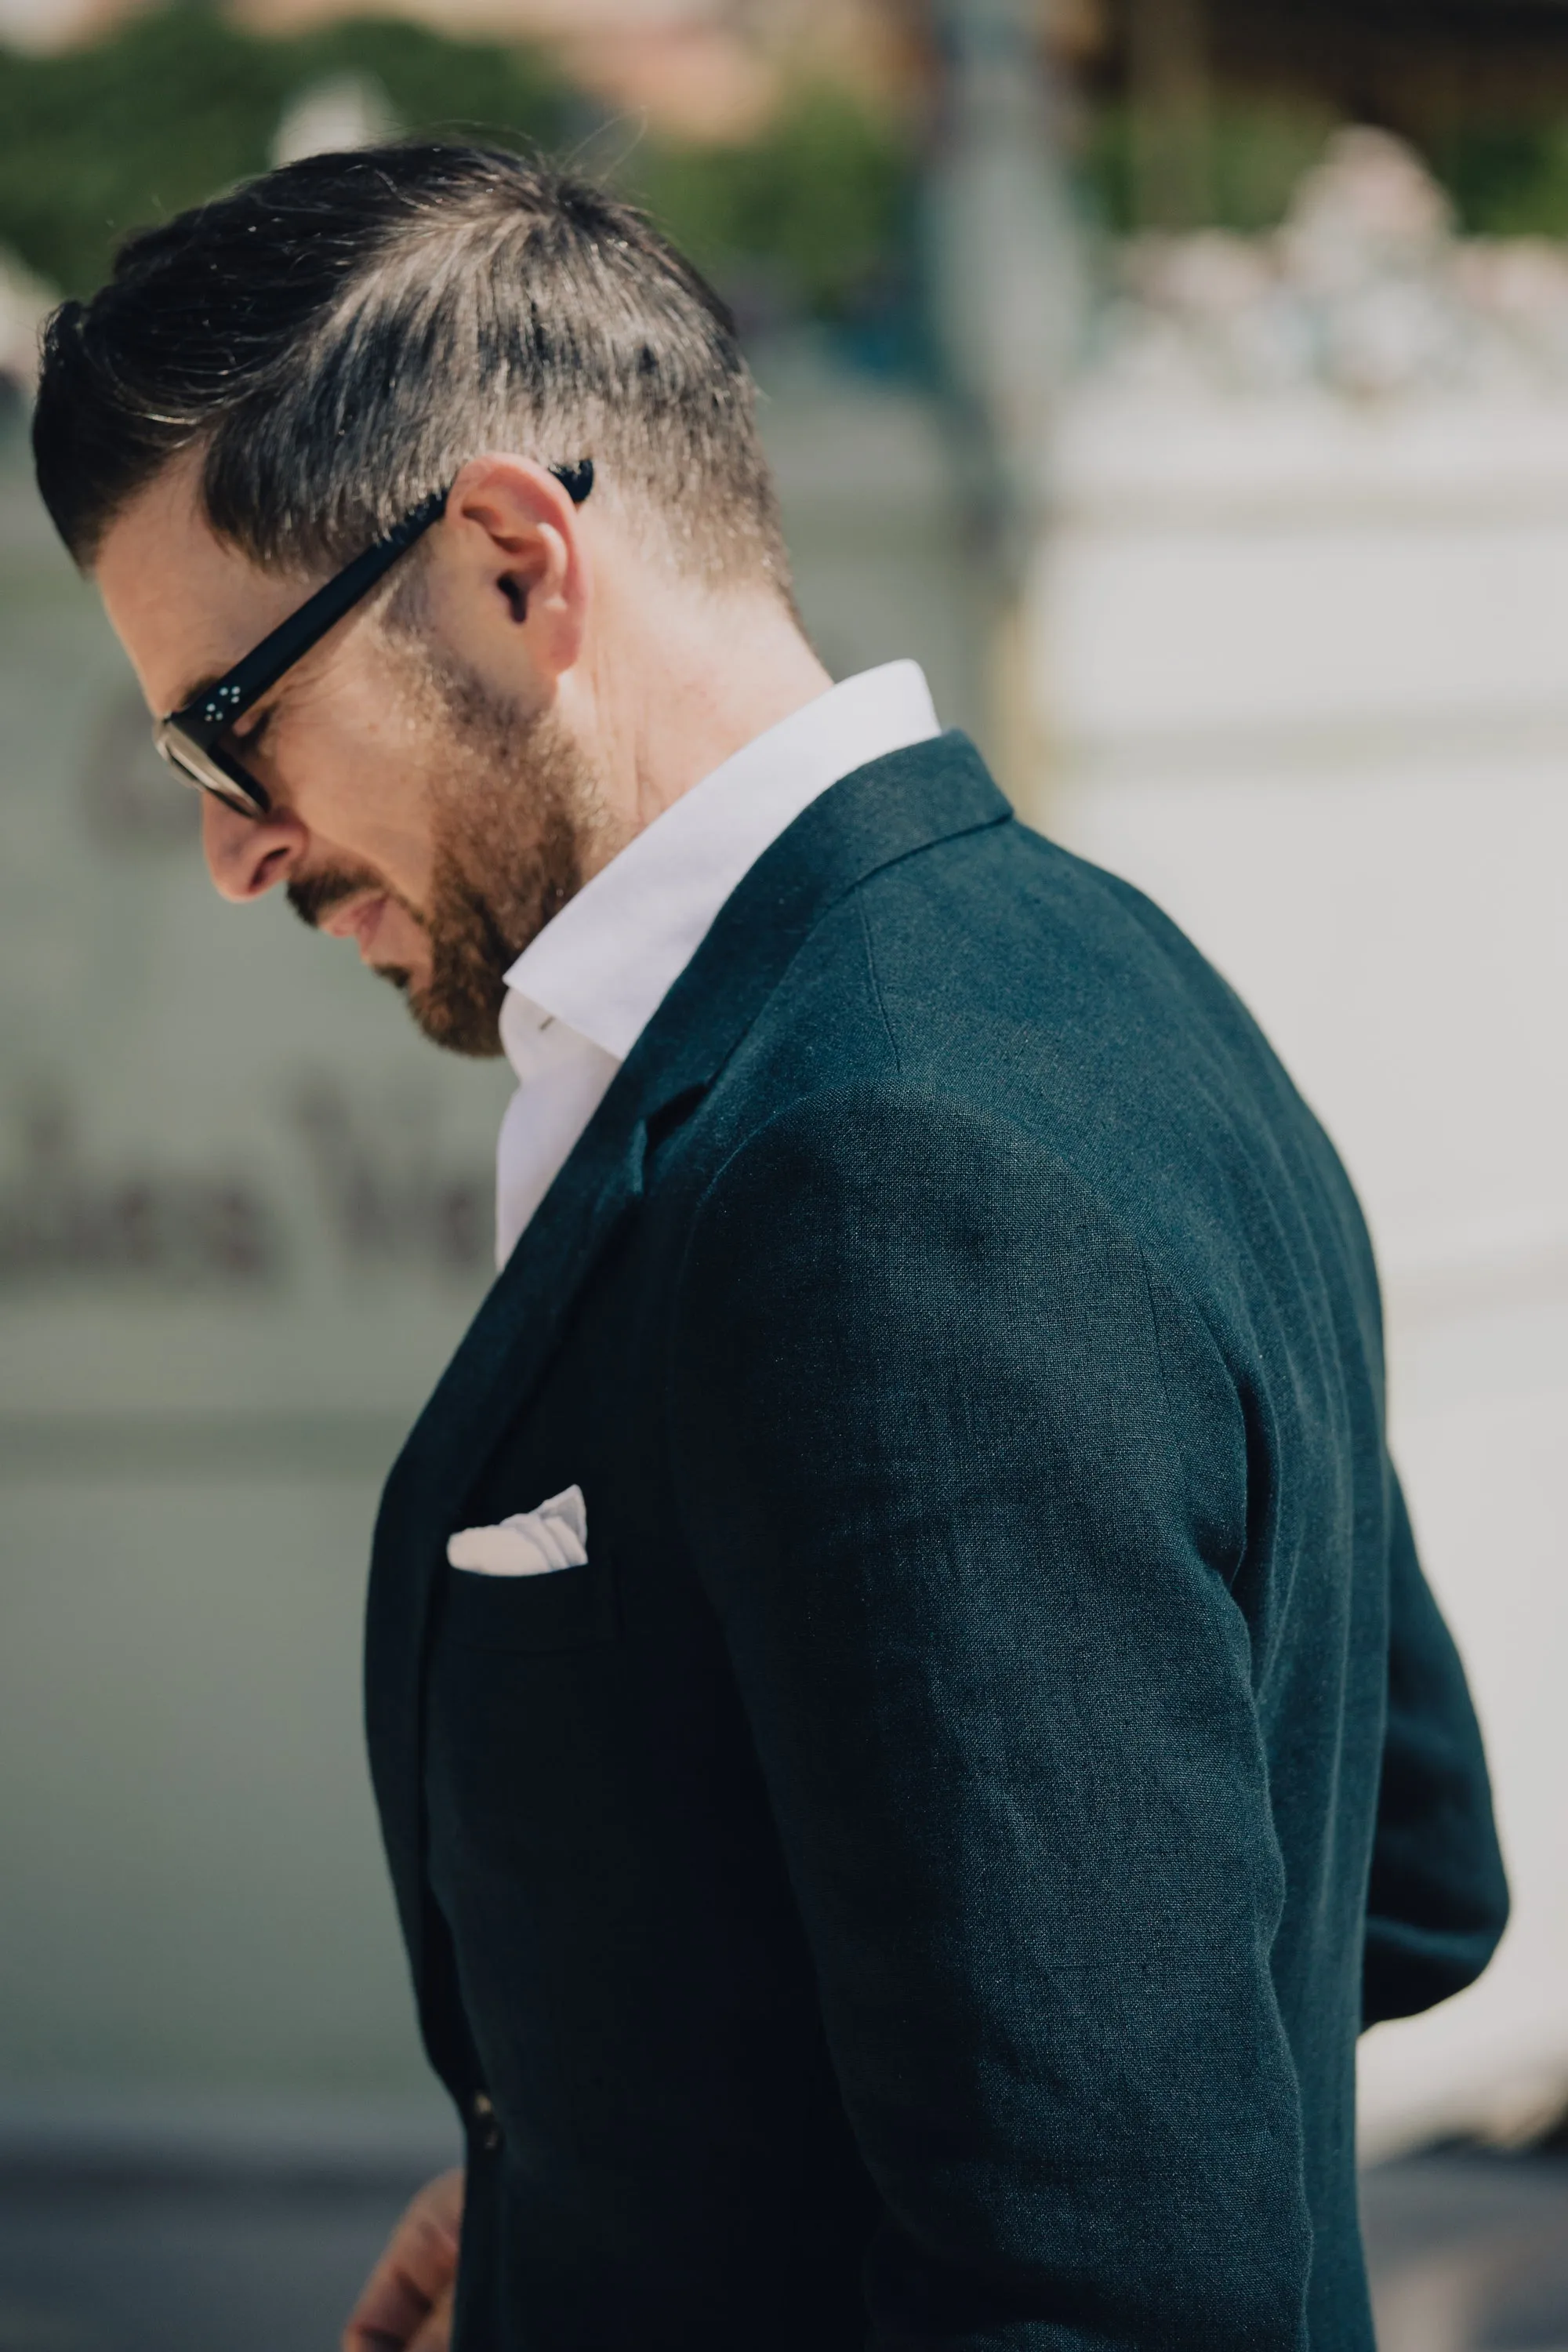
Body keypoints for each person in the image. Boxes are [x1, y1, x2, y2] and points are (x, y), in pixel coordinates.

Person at [31, 145, 1508, 2352]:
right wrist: (591, 2201)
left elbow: (1102, 2289)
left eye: (228, 732)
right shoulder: (1103, 972)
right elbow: (1399, 1884)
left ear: (515, 565)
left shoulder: (883, 1178)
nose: (237, 854)